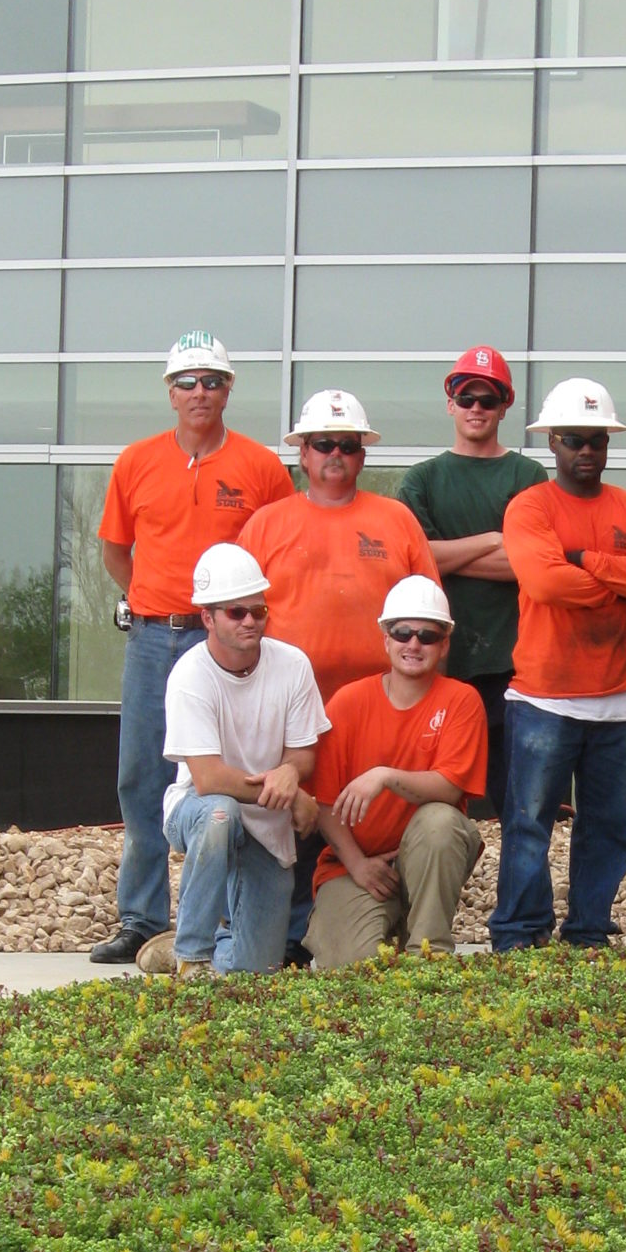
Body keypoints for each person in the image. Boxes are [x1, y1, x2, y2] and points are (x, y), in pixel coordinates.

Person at [89, 331, 294, 967]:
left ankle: (227, 917)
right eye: (186, 382)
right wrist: (152, 599)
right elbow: (115, 549)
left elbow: (280, 547)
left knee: (229, 774)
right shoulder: (136, 462)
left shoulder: (261, 467)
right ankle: (141, 917)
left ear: (228, 390)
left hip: (228, 641)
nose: (199, 391)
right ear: (170, 393)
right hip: (156, 635)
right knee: (141, 775)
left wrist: (238, 621)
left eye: (211, 381)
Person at [238, 389, 441, 961]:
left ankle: (382, 922)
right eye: (323, 443)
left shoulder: (395, 520)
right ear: (302, 453)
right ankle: (279, 937)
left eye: (347, 445)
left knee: (366, 814)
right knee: (285, 819)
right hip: (286, 706)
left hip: (377, 707)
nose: (335, 454)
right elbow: (238, 616)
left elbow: (429, 615)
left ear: (362, 455)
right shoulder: (266, 524)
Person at [491, 378, 626, 952]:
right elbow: (545, 582)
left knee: (614, 827)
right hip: (544, 696)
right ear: (553, 442)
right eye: (574, 439)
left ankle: (588, 930)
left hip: (623, 699)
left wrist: (586, 560)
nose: (586, 449)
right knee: (528, 823)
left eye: (597, 439)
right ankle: (520, 934)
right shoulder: (530, 507)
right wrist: (619, 580)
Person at [143, 544, 327, 978]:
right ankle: (191, 957)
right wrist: (290, 795)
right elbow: (208, 779)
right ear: (207, 618)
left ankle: (196, 947)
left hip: (266, 828)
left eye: (258, 611)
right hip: (197, 809)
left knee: (257, 973)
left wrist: (291, 772)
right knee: (220, 815)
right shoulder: (190, 675)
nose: (250, 621)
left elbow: (304, 752)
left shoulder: (293, 665)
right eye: (236, 612)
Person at [297, 578, 488, 968]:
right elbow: (324, 804)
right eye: (402, 633)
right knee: (351, 969)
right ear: (385, 639)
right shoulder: (348, 702)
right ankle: (394, 926)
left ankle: (428, 956)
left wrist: (384, 775)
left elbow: (450, 789)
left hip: (423, 857)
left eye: (427, 636)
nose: (413, 644)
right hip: (353, 865)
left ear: (444, 644)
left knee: (440, 823)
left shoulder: (462, 700)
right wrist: (358, 865)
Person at [396, 346, 544, 817]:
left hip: (513, 663)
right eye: (466, 398)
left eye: (487, 399)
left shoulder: (528, 475)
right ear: (450, 404)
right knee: (434, 796)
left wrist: (444, 556)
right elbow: (414, 560)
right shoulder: (422, 480)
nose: (476, 408)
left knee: (516, 803)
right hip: (438, 659)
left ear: (505, 406)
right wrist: (492, 540)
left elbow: (529, 565)